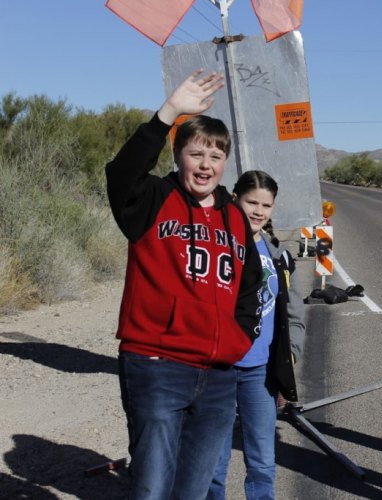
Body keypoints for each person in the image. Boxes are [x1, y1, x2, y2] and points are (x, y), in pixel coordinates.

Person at [105, 69, 263, 499]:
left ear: (225, 162)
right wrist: (168, 113)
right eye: (196, 154)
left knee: (193, 491)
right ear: (179, 156)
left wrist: (239, 338)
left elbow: (251, 285)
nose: (205, 166)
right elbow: (120, 175)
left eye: (215, 157)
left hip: (217, 375)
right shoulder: (153, 200)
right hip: (157, 366)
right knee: (152, 489)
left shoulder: (234, 218)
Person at [208, 170, 306, 500]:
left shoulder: (277, 255)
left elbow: (293, 314)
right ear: (235, 199)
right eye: (252, 202)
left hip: (260, 372)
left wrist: (287, 361)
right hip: (216, 370)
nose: (259, 211)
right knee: (214, 461)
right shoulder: (214, 243)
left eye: (267, 205)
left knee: (263, 460)